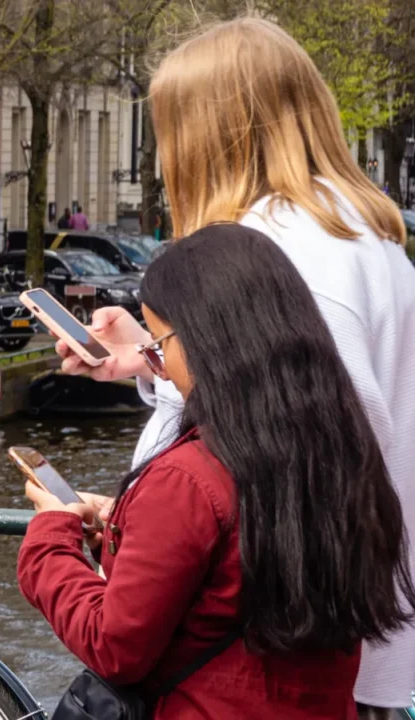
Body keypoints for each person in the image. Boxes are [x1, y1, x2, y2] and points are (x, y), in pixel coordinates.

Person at [53, 18, 415, 717]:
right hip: (346, 637)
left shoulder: (281, 255)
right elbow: (281, 401)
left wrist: (149, 526)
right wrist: (157, 355)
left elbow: (309, 454)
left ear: (209, 135)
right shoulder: (364, 235)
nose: (164, 156)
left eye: (169, 131)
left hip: (276, 658)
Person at [21, 225, 415, 718]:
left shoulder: (188, 479)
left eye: (159, 343)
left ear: (208, 341)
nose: (156, 364)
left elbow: (114, 646)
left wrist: (51, 537)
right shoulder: (338, 450)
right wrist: (128, 533)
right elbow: (233, 581)